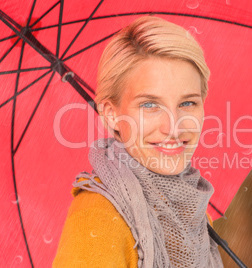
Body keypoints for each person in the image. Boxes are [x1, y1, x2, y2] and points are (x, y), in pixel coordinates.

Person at [52, 15, 224, 267]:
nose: (173, 126)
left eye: (188, 103)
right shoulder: (98, 217)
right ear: (111, 113)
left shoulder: (197, 216)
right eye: (150, 104)